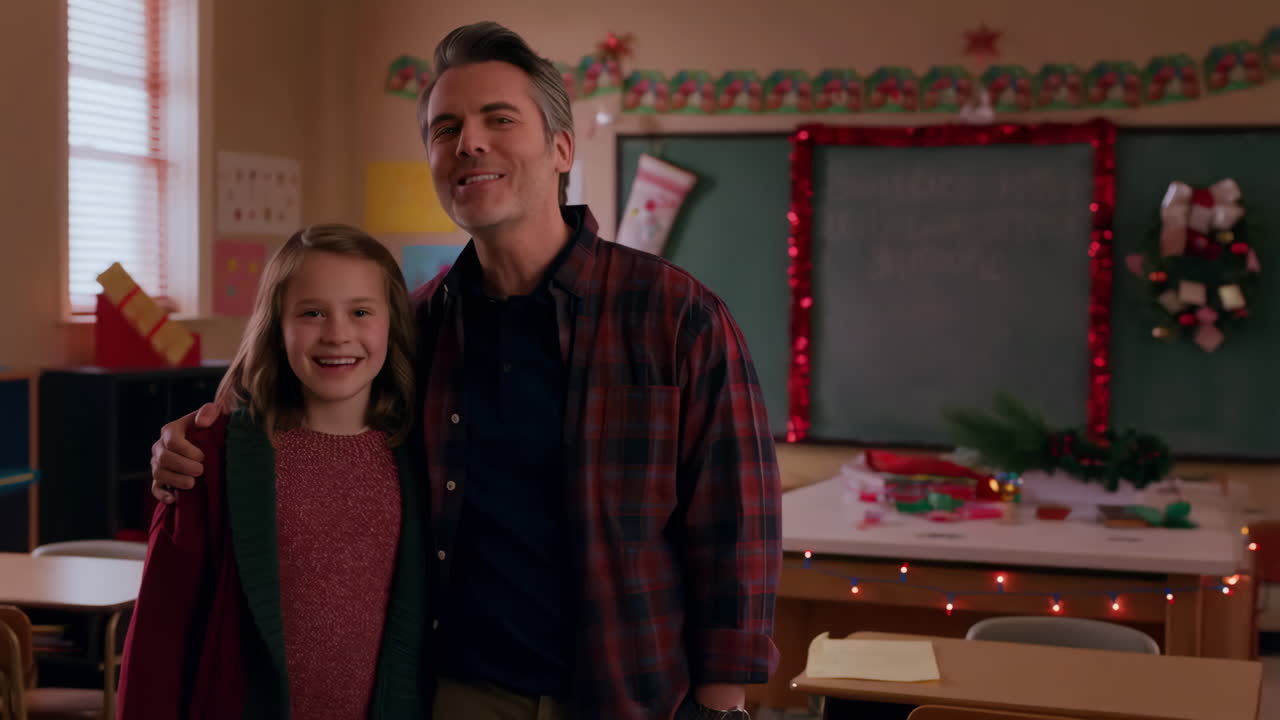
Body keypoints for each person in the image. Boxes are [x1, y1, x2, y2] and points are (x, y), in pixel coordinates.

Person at [149, 21, 780, 720]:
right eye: (445, 128)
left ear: (562, 148)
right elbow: (281, 390)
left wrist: (722, 704)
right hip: (462, 695)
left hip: (636, 693)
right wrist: (191, 433)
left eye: (498, 119)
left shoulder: (674, 315)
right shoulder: (414, 326)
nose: (468, 142)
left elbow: (736, 521)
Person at [120, 224, 428, 719]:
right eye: (311, 312)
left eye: (361, 311)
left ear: (392, 324)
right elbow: (160, 635)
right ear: (276, 326)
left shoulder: (423, 453)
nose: (337, 333)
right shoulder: (209, 456)